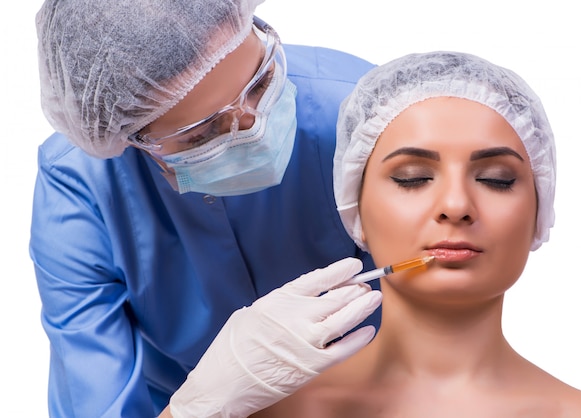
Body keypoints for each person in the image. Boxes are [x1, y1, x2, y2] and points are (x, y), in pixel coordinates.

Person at [30, 0, 384, 416]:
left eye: (261, 82)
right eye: (205, 131)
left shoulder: (361, 109)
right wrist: (201, 405)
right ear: (131, 137)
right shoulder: (81, 186)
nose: (255, 125)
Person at [251, 51, 581, 417]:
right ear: (355, 209)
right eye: (412, 178)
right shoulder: (277, 410)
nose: (457, 204)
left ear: (539, 212)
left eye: (496, 180)